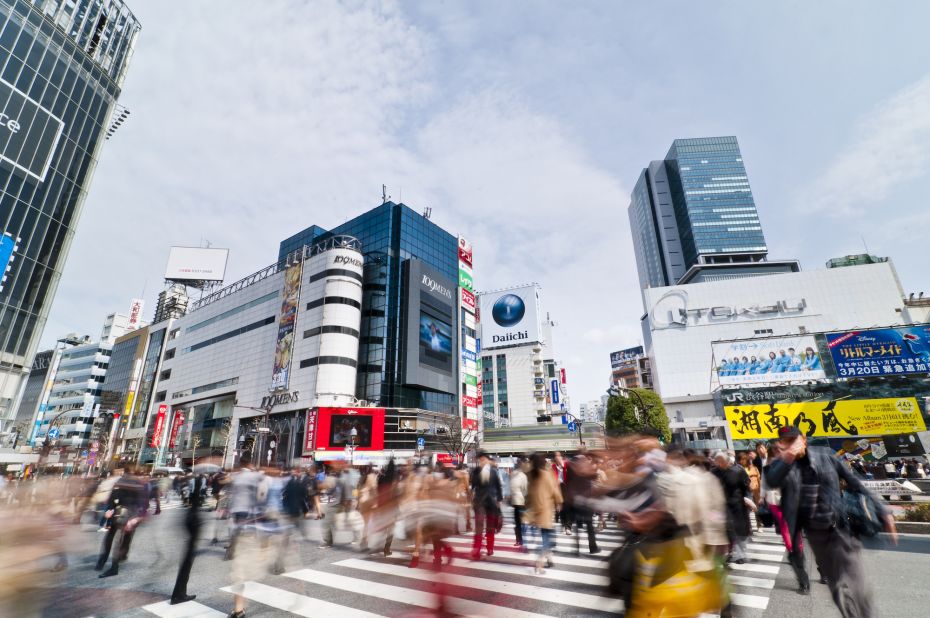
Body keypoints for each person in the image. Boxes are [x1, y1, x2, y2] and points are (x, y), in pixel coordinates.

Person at [766, 425, 897, 610]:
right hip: (815, 533)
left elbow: (854, 482)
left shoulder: (825, 455)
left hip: (841, 527)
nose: (791, 445)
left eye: (794, 440)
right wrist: (787, 458)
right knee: (836, 587)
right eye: (786, 442)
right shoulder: (782, 464)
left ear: (803, 439)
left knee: (857, 583)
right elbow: (772, 480)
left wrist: (883, 510)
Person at [96, 467, 151, 577]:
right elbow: (143, 502)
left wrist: (109, 510)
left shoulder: (121, 481)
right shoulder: (139, 484)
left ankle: (104, 562)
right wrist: (138, 517)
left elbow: (113, 498)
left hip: (119, 513)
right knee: (122, 539)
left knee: (112, 538)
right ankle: (117, 560)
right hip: (130, 514)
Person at [713, 451, 753, 564]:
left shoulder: (738, 471)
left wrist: (747, 499)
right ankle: (729, 552)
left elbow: (746, 486)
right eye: (718, 461)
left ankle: (741, 554)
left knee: (740, 530)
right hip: (721, 506)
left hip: (738, 504)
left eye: (722, 461)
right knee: (726, 531)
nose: (720, 463)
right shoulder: (714, 473)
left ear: (726, 461)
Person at [525, 452, 562, 574]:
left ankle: (549, 558)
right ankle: (539, 563)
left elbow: (529, 495)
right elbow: (554, 489)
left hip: (536, 511)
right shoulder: (546, 474)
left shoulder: (531, 475)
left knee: (545, 535)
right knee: (548, 538)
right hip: (546, 510)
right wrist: (559, 502)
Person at [170, 474, 204, 604]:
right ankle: (179, 594)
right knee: (187, 560)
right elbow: (195, 497)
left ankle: (179, 593)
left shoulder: (190, 483)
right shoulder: (196, 483)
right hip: (193, 521)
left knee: (187, 559)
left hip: (190, 519)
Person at [564, 453, 600, 555]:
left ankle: (577, 547)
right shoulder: (586, 468)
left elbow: (568, 482)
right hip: (586, 500)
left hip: (575, 499)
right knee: (589, 525)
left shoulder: (571, 468)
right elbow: (594, 476)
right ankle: (592, 547)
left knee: (576, 524)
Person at [469, 451, 503, 560]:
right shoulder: (475, 471)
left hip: (492, 502)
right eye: (480, 459)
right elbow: (473, 484)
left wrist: (499, 501)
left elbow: (498, 487)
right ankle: (477, 548)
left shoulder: (494, 472)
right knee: (479, 525)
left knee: (490, 526)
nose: (482, 461)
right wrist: (477, 472)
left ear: (488, 460)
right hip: (479, 501)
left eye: (484, 459)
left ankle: (490, 547)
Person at [509, 457, 528, 548]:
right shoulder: (523, 475)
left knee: (517, 522)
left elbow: (511, 487)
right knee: (521, 522)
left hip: (515, 502)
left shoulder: (512, 474)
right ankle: (521, 539)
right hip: (521, 501)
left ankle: (519, 540)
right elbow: (525, 489)